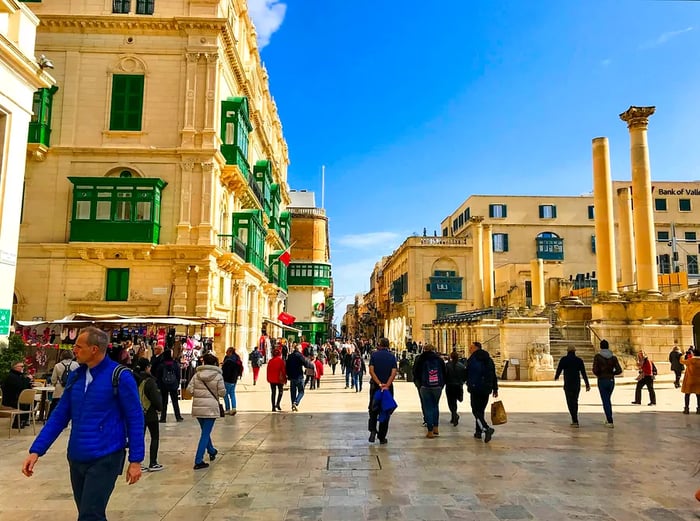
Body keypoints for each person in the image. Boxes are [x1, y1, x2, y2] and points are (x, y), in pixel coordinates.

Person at [22, 326, 144, 520]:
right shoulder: (76, 376)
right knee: (88, 513)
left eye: (79, 346)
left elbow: (135, 418)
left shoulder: (120, 376)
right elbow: (60, 415)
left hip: (106, 456)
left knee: (89, 515)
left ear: (94, 349)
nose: (75, 350)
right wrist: (36, 450)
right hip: (77, 457)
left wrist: (135, 460)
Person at [186, 353, 225, 470]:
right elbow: (222, 393)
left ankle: (212, 450)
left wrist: (198, 394)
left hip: (198, 407)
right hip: (211, 408)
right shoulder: (218, 376)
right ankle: (198, 460)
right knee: (205, 433)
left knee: (205, 432)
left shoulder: (197, 375)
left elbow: (189, 390)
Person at [134, 358, 164, 472]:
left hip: (137, 412)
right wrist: (159, 408)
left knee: (139, 437)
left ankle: (137, 462)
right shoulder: (149, 381)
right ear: (147, 367)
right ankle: (153, 462)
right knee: (154, 437)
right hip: (150, 412)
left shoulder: (133, 379)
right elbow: (155, 399)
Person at [466, 341, 499, 443]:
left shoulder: (472, 359)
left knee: (475, 410)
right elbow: (493, 374)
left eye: (471, 347)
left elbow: (469, 373)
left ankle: (486, 428)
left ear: (476, 348)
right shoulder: (488, 359)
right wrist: (495, 388)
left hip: (475, 388)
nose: (470, 349)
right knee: (481, 410)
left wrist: (468, 384)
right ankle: (478, 432)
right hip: (486, 388)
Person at [367, 337, 397, 445]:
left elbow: (371, 371)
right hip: (388, 388)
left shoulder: (374, 355)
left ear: (379, 344)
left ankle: (373, 430)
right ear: (388, 345)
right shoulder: (392, 357)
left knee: (373, 408)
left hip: (375, 386)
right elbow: (394, 372)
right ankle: (382, 437)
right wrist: (386, 385)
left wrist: (379, 384)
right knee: (386, 409)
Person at [412, 344, 446, 438]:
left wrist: (418, 384)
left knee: (427, 407)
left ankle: (430, 430)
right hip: (437, 386)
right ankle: (436, 427)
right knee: (435, 406)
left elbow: (415, 372)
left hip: (425, 386)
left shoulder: (420, 359)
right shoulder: (439, 359)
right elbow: (444, 372)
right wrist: (441, 384)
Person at [554, 345, 591, 427]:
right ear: (575, 351)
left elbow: (559, 369)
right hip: (576, 384)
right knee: (575, 401)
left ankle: (574, 419)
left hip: (568, 383)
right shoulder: (579, 360)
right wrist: (587, 384)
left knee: (570, 402)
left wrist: (556, 376)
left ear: (567, 351)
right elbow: (583, 373)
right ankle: (575, 419)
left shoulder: (564, 359)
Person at [592, 339, 623, 428]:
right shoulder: (613, 357)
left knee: (605, 401)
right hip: (611, 381)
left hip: (602, 380)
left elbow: (595, 370)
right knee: (608, 399)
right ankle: (608, 418)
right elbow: (619, 370)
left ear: (600, 346)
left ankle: (610, 420)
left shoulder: (598, 357)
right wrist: (612, 373)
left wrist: (599, 374)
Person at [48, 350, 80, 419]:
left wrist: (55, 384)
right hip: (72, 389)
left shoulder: (57, 366)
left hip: (59, 389)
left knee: (55, 405)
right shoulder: (76, 365)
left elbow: (53, 380)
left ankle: (51, 419)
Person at [1, 360, 32, 429]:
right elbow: (21, 386)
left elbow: (25, 387)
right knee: (24, 404)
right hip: (9, 400)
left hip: (15, 398)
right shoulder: (11, 376)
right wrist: (27, 379)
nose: (23, 368)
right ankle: (18, 423)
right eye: (21, 366)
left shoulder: (18, 376)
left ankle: (22, 421)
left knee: (31, 402)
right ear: (15, 367)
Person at [157, 350, 183, 422]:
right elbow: (178, 375)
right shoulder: (175, 364)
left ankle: (163, 418)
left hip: (163, 385)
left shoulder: (161, 364)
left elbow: (158, 376)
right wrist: (177, 383)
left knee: (164, 402)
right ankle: (178, 417)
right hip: (173, 385)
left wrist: (159, 385)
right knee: (175, 401)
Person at [445, 351, 467, 426]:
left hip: (450, 385)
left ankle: (454, 415)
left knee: (451, 402)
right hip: (458, 386)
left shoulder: (447, 365)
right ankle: (453, 416)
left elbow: (445, 375)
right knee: (455, 401)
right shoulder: (461, 366)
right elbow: (464, 376)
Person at [285, 344, 309, 411]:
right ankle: (296, 402)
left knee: (293, 392)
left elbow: (286, 366)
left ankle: (293, 404)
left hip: (292, 377)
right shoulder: (300, 356)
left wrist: (287, 375)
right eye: (301, 348)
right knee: (301, 391)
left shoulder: (290, 356)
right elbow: (306, 364)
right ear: (299, 349)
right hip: (299, 376)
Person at [221, 347, 243, 416]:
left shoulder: (228, 361)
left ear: (230, 352)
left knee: (225, 394)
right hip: (234, 380)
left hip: (227, 380)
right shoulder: (237, 359)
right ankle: (234, 408)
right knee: (232, 394)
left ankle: (227, 409)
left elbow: (225, 371)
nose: (226, 353)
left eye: (227, 352)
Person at [680, 347, 700, 414]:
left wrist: (682, 355)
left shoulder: (690, 360)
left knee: (687, 395)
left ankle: (686, 408)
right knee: (698, 395)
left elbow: (681, 361)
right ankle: (699, 409)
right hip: (698, 381)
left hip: (690, 381)